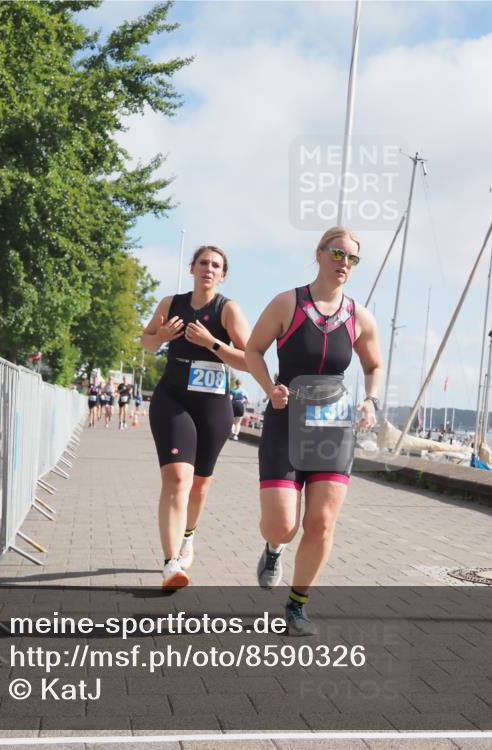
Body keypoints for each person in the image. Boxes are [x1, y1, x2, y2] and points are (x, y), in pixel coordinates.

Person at [245, 226, 382, 636]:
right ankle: (274, 549)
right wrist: (271, 389)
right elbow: (253, 350)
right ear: (320, 254)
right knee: (281, 524)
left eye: (352, 259)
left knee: (321, 523)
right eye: (338, 254)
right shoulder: (288, 303)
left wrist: (370, 400)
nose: (344, 264)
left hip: (333, 429)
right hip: (286, 422)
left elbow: (373, 366)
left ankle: (297, 606)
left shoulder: (360, 317)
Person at [141, 245, 251, 590]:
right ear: (192, 268)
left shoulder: (228, 310)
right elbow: (145, 342)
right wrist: (161, 337)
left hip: (213, 405)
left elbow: (249, 359)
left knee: (200, 484)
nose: (208, 268)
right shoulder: (170, 303)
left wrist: (211, 343)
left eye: (216, 265)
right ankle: (171, 563)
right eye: (203, 262)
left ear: (223, 274)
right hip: (172, 398)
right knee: (176, 479)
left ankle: (188, 536)